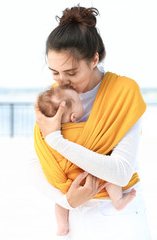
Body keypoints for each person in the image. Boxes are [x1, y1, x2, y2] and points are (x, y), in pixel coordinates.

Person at [30, 5, 152, 240]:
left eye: (71, 72)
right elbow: (37, 161)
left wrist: (56, 139)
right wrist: (65, 200)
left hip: (121, 217)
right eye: (54, 72)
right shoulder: (55, 97)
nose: (62, 81)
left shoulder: (123, 92)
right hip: (75, 216)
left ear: (94, 59)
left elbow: (120, 172)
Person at [37, 84, 137, 236]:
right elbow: (104, 151)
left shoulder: (47, 135)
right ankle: (119, 201)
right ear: (73, 116)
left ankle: (62, 227)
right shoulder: (84, 131)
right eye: (80, 102)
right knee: (111, 176)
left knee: (60, 202)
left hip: (67, 185)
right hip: (88, 178)